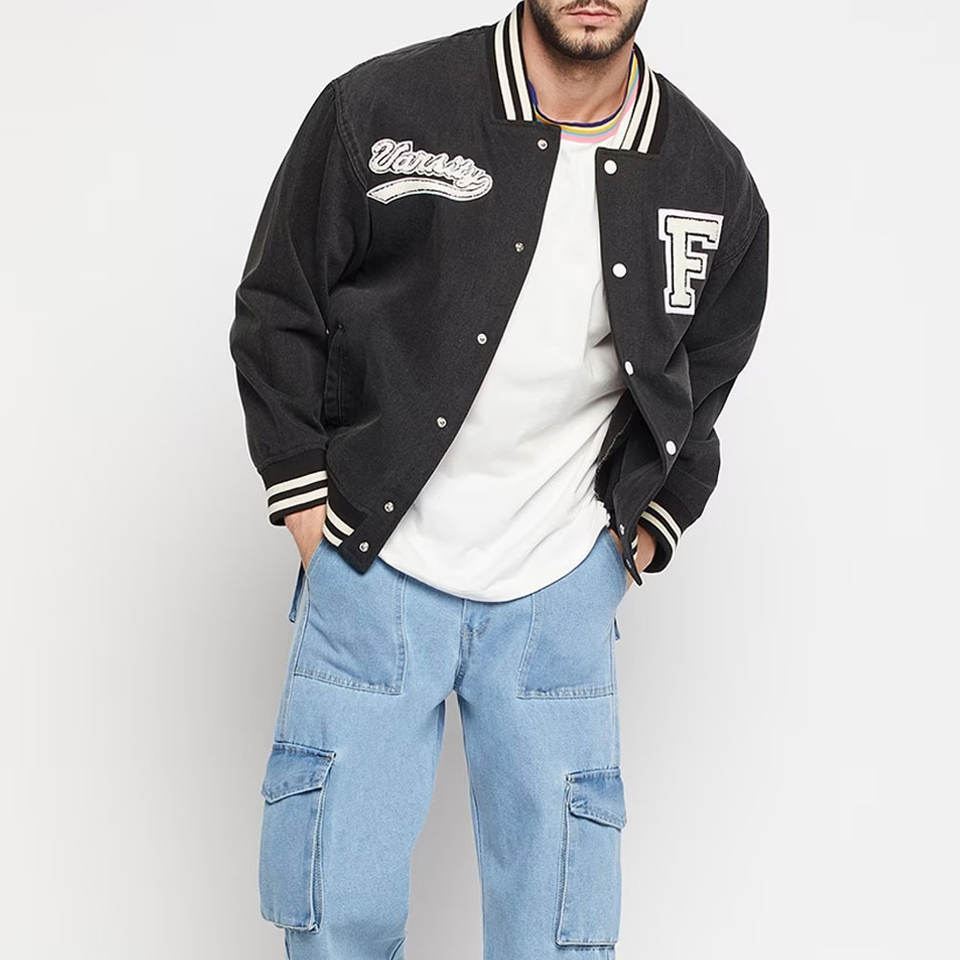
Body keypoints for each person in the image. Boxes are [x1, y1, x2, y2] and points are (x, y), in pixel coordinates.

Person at [229, 1, 769, 956]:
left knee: (558, 937)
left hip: (559, 590)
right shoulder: (383, 107)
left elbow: (708, 373)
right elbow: (279, 303)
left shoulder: (708, 178)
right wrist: (310, 512)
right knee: (335, 920)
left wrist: (641, 534)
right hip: (372, 567)